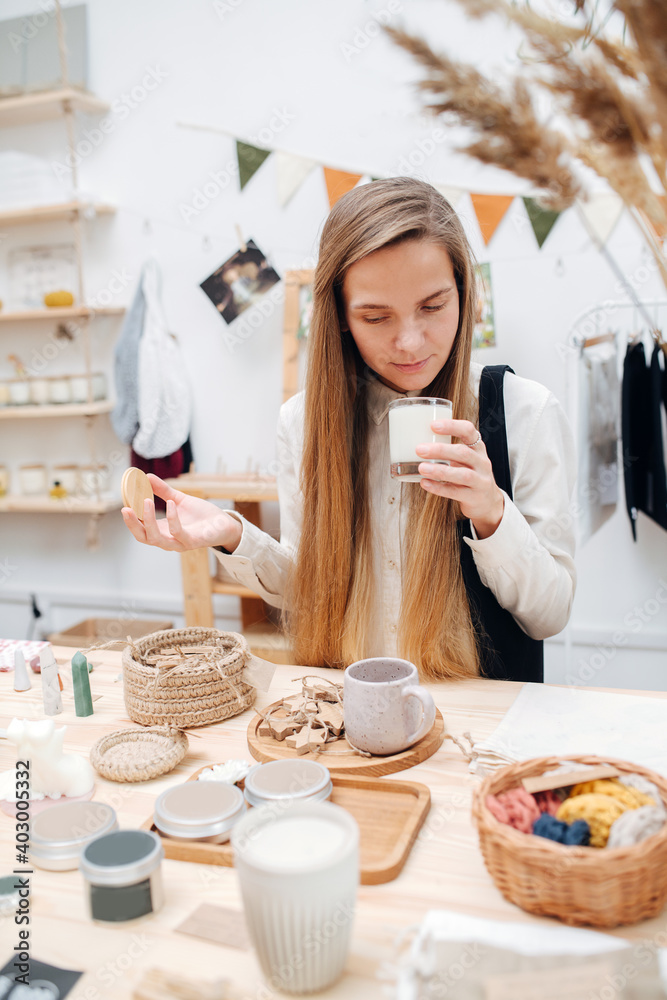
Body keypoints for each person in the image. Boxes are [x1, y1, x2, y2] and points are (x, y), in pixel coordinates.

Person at [122, 177, 576, 682]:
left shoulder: (525, 412)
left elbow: (549, 615)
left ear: (465, 294)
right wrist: (234, 536)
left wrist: (492, 511)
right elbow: (309, 589)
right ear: (339, 315)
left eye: (432, 306)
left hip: (480, 737)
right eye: (376, 316)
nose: (409, 342)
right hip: (354, 723)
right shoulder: (304, 422)